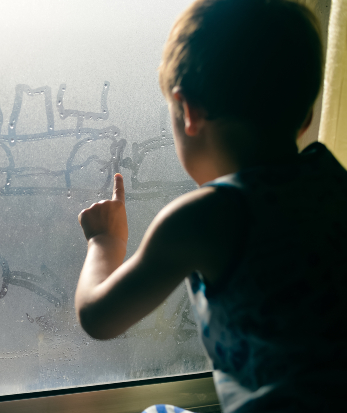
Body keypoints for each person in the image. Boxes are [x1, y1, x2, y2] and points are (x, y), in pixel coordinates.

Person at [74, 0, 347, 412]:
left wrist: (104, 242)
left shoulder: (206, 217)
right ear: (307, 115)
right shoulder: (333, 183)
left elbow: (99, 318)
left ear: (188, 112)